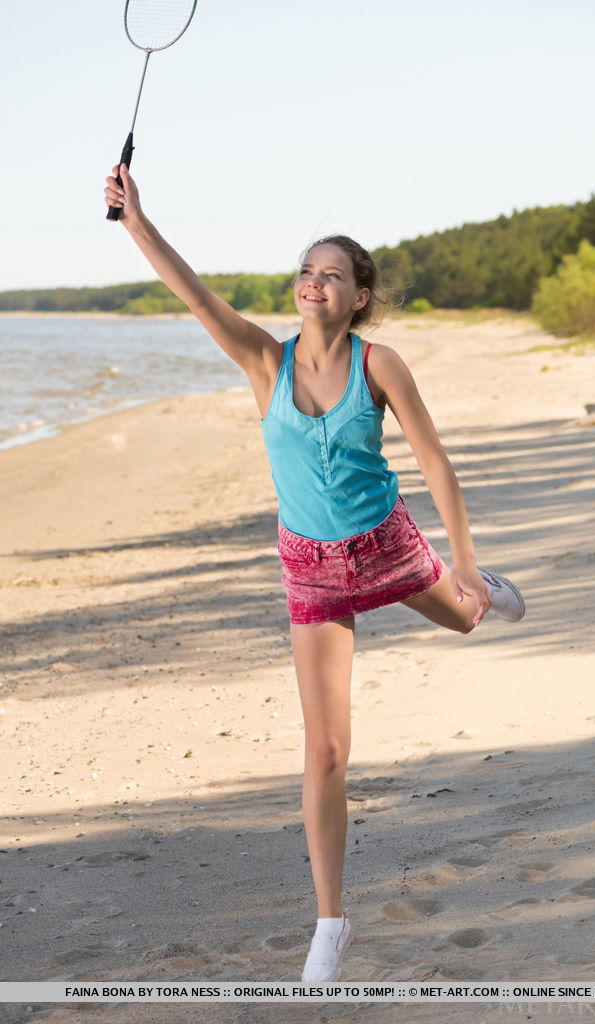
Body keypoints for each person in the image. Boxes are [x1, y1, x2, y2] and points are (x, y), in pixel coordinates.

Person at [103, 165, 525, 983]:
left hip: (388, 543)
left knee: (467, 614)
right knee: (327, 748)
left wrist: (464, 562)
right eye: (306, 270)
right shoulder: (265, 361)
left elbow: (434, 463)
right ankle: (331, 921)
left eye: (332, 275)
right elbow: (193, 295)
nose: (313, 283)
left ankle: (481, 595)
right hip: (312, 567)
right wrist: (135, 221)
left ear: (359, 295)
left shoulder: (380, 365)